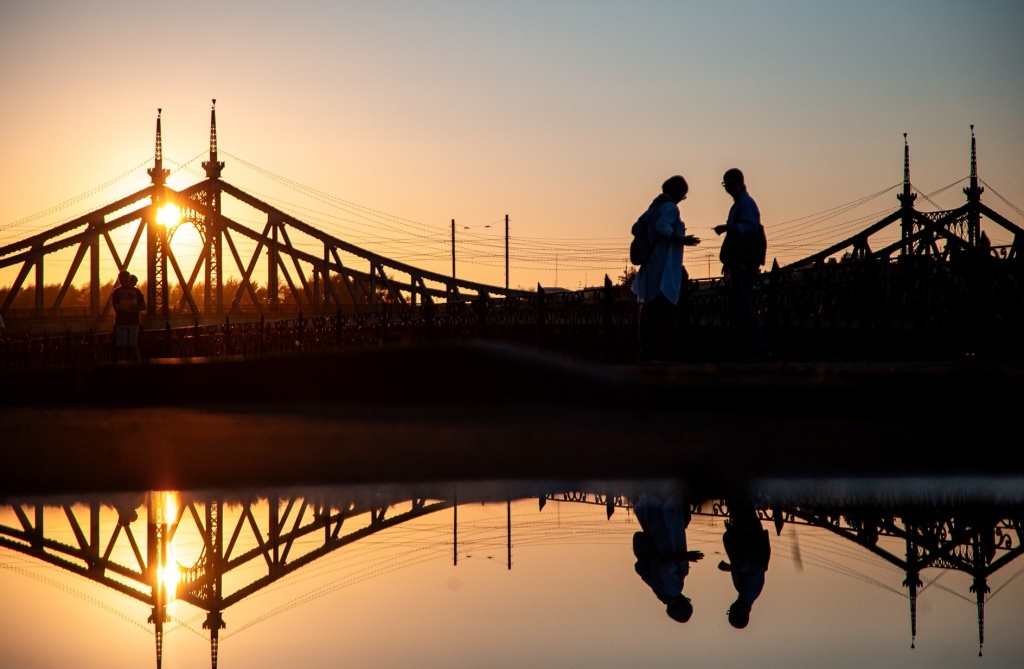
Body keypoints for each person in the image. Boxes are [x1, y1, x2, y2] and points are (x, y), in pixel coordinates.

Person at [631, 175, 700, 362]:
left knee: (648, 311)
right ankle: (661, 353)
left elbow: (636, 227)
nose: (681, 199)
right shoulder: (670, 207)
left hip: (652, 265)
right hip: (665, 267)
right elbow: (663, 227)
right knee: (666, 312)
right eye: (682, 195)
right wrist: (681, 239)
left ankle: (646, 352)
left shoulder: (653, 209)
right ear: (676, 192)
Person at [714, 168, 771, 361]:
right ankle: (748, 347)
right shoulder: (740, 203)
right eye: (725, 184)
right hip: (738, 260)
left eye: (730, 183)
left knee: (743, 304)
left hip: (744, 261)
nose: (728, 188)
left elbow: (750, 227)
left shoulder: (745, 203)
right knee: (739, 304)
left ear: (739, 182)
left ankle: (758, 348)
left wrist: (728, 227)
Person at [632, 487, 704, 622]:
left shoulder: (673, 590)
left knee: (665, 501)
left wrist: (685, 557)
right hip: (658, 537)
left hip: (666, 537)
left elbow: (665, 570)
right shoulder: (659, 591)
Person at [717, 496, 771, 629]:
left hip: (744, 535)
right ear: (743, 613)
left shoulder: (744, 592)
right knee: (743, 499)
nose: (731, 608)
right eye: (733, 613)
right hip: (748, 535)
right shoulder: (750, 592)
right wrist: (730, 568)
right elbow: (754, 568)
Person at [111, 271, 147, 362]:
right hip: (133, 322)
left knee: (122, 347)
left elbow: (116, 307)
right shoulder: (136, 291)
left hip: (121, 322)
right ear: (129, 278)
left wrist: (126, 310)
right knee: (133, 346)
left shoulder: (116, 291)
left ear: (119, 279)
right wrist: (134, 310)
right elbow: (143, 306)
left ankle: (124, 368)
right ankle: (136, 367)